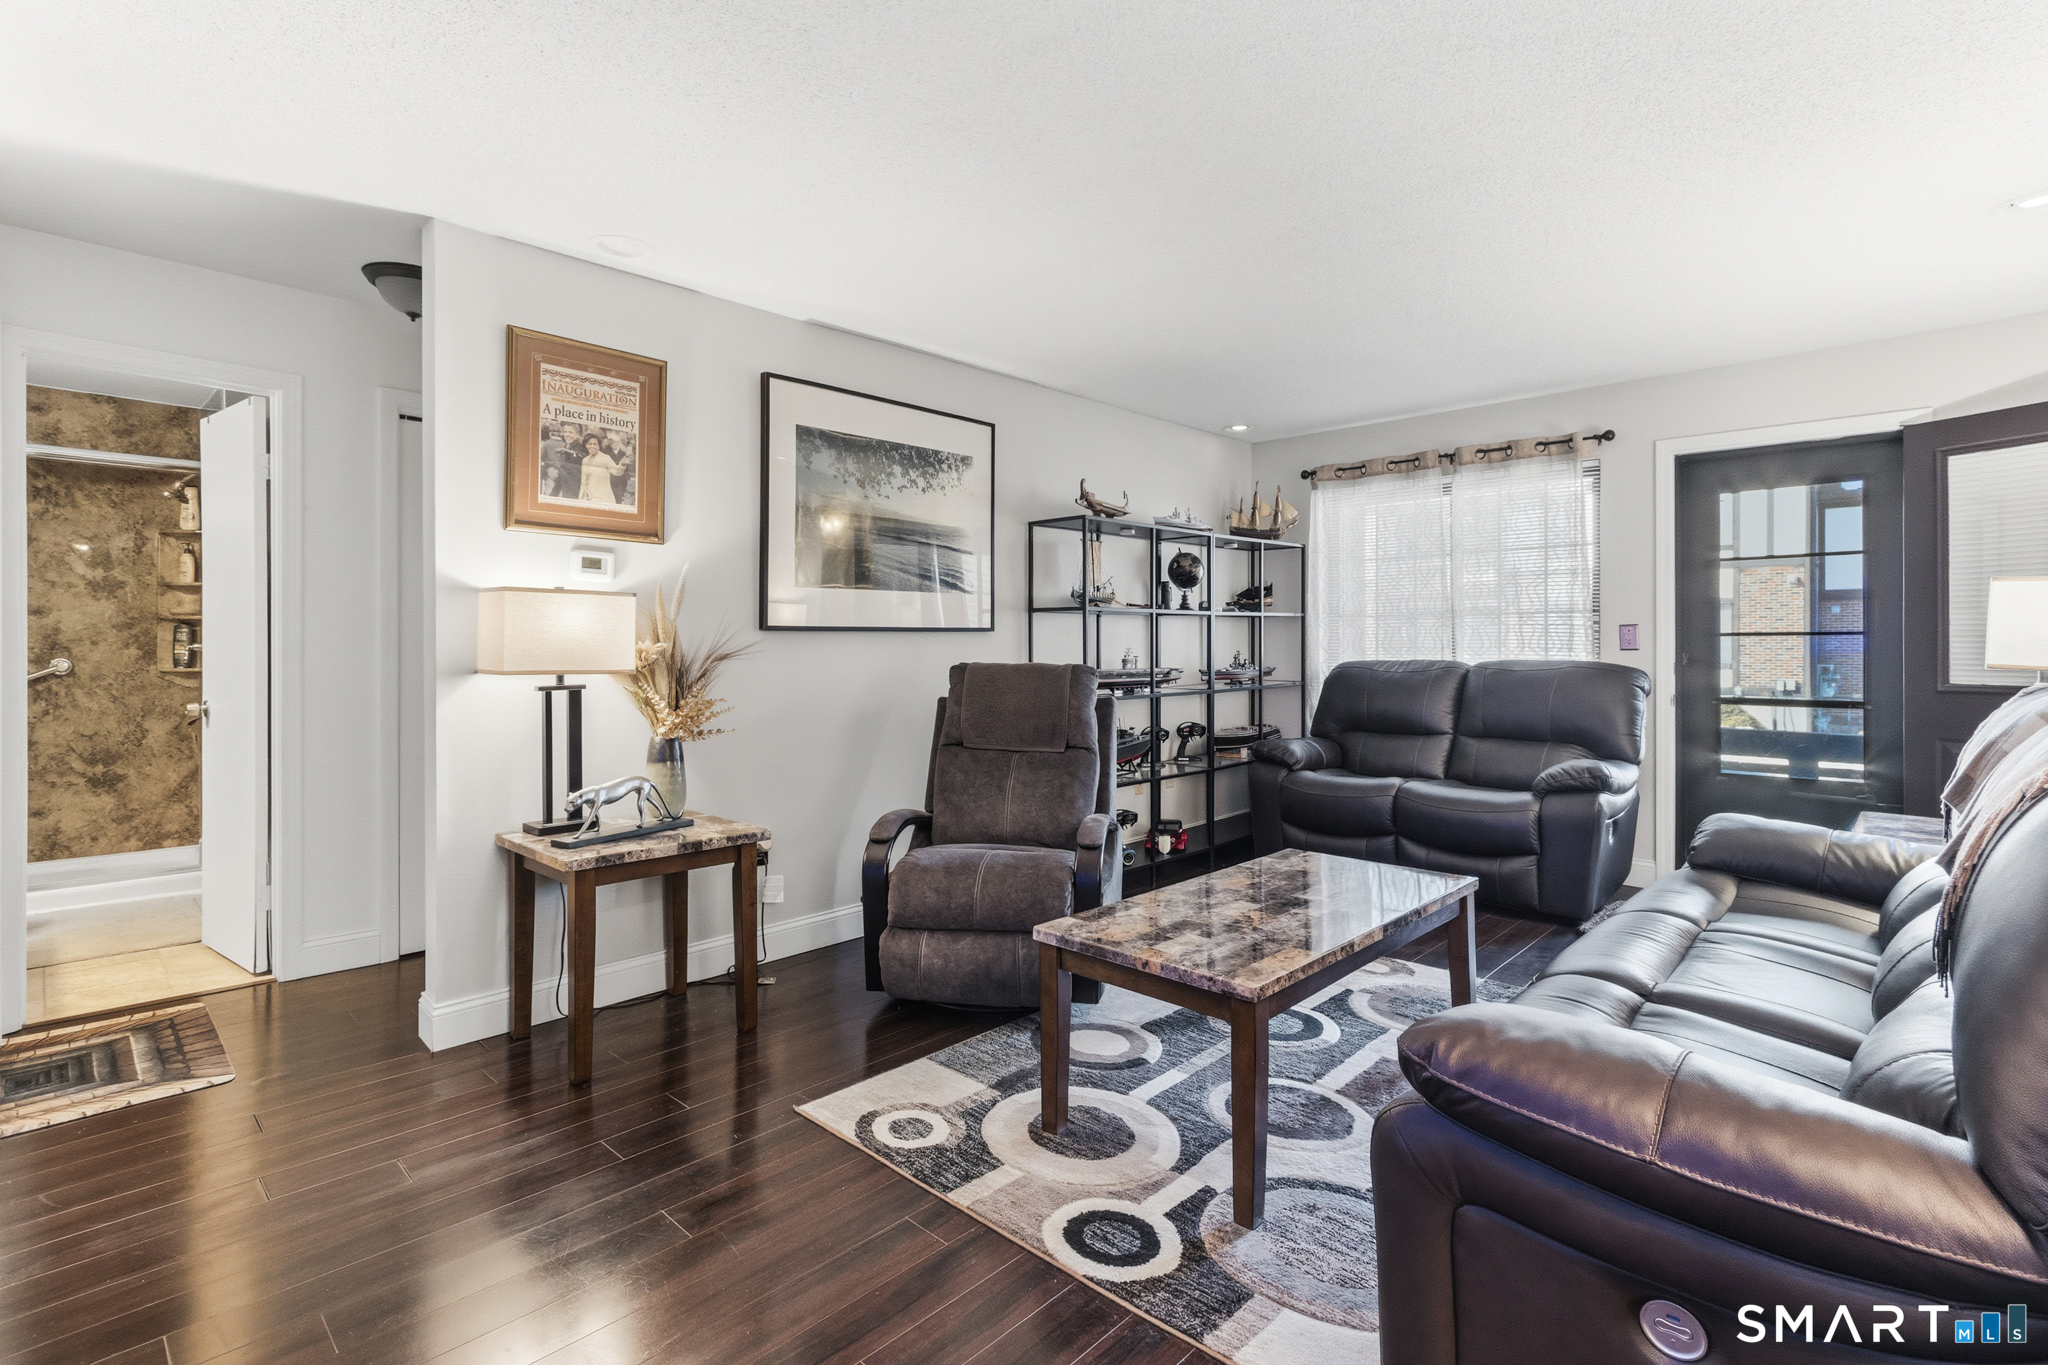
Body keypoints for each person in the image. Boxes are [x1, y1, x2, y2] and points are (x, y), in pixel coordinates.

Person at [576, 433, 621, 504]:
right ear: (586, 445)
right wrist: (579, 500)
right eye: (589, 444)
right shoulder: (585, 460)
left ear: (599, 446)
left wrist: (622, 464)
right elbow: (583, 483)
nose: (592, 446)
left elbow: (616, 472)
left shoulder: (605, 458)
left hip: (604, 499)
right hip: (588, 499)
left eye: (595, 444)